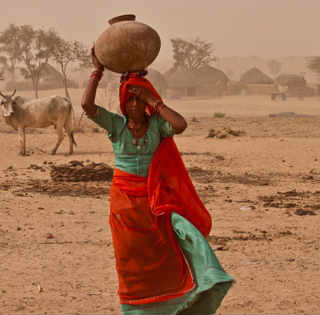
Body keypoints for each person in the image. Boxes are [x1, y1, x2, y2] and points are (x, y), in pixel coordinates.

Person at [81, 47, 234, 315]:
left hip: (155, 199)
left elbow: (180, 125)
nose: (133, 105)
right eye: (128, 100)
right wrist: (97, 71)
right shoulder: (116, 125)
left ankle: (192, 293)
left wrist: (153, 99)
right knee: (131, 262)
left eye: (137, 101)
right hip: (124, 205)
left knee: (172, 247)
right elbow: (87, 106)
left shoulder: (156, 126)